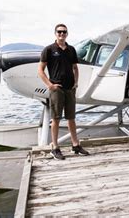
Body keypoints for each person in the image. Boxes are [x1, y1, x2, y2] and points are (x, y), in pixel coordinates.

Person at [38, 24, 89, 160]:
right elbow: (40, 70)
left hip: (70, 89)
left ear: (67, 34)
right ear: (55, 33)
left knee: (71, 118)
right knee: (56, 118)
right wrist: (50, 85)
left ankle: (75, 145)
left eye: (64, 32)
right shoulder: (48, 50)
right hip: (57, 89)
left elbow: (75, 68)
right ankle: (54, 147)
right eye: (59, 32)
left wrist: (76, 83)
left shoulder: (71, 49)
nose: (62, 34)